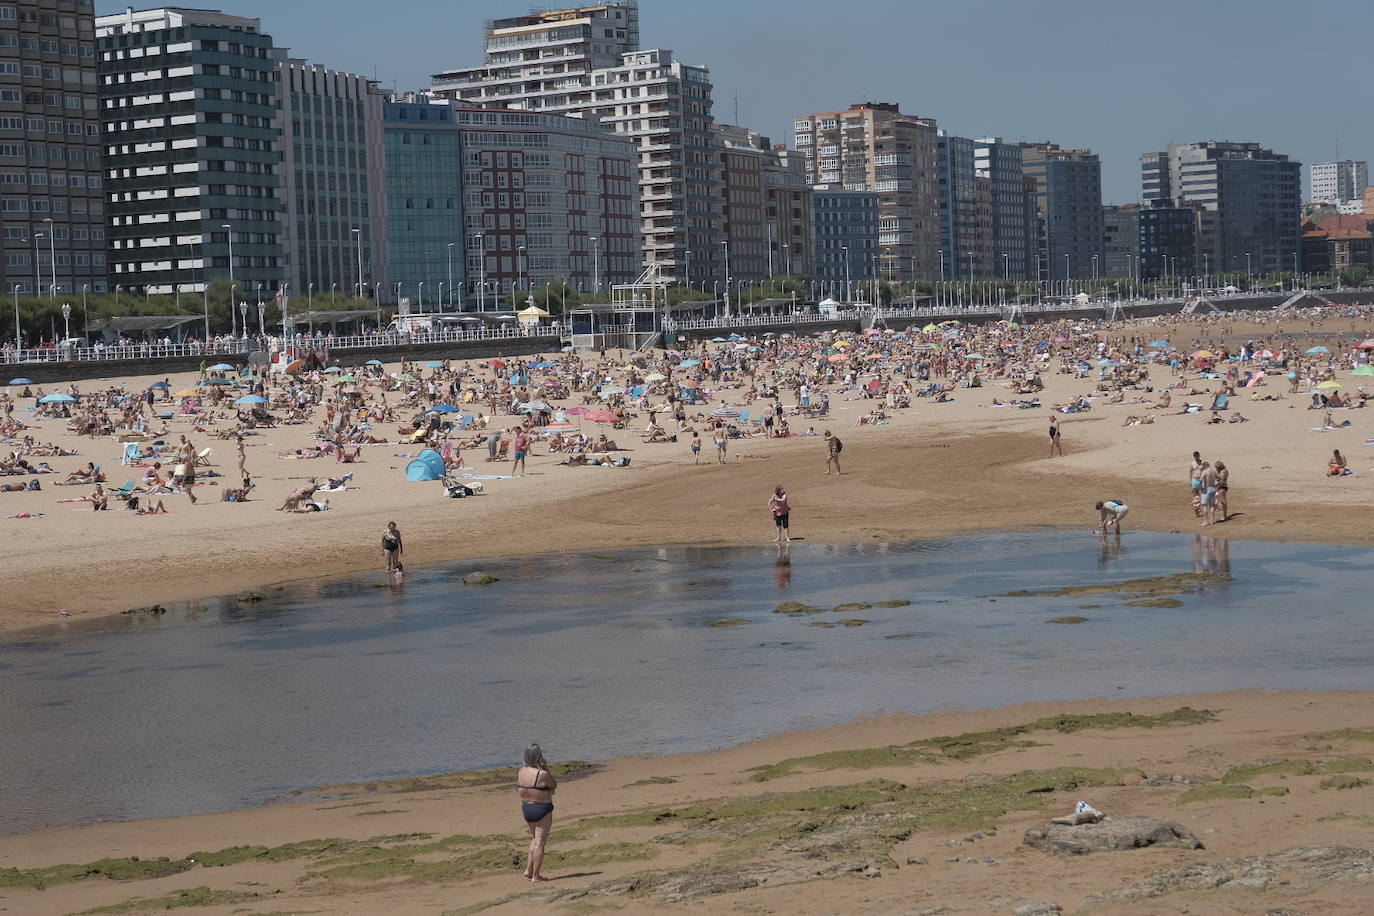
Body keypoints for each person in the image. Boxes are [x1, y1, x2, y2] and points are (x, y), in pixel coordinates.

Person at [517, 743, 557, 883]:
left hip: (527, 808)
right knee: (540, 842)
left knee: (535, 839)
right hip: (541, 809)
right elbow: (553, 785)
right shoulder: (542, 774)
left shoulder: (521, 771)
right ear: (538, 756)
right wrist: (545, 767)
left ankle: (529, 870)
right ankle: (536, 876)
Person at [1198, 461, 1218, 526]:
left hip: (1207, 489)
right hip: (1213, 488)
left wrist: (1201, 487)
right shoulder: (1214, 471)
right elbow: (1219, 478)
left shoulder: (1205, 471)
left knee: (1205, 505)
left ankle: (1206, 521)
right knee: (1212, 505)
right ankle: (1212, 521)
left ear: (1204, 466)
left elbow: (1200, 480)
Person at [1188, 451, 1204, 517]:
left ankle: (1203, 508)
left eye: (1197, 455)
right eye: (1195, 456)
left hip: (1201, 480)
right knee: (1196, 496)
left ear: (1199, 455)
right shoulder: (1192, 463)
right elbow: (1190, 472)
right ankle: (1197, 510)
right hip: (1195, 480)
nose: (1196, 457)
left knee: (1203, 495)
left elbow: (1205, 471)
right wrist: (1190, 481)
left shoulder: (1202, 462)